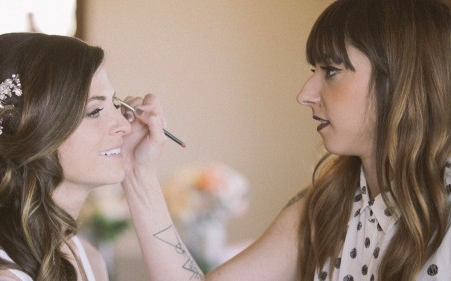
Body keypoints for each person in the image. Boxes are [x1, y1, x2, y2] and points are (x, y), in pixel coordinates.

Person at [119, 0, 451, 280]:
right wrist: (138, 171)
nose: (304, 94)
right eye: (313, 72)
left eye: (331, 71)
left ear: (400, 79)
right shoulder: (328, 205)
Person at [0, 32, 167, 280]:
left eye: (115, 104)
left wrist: (140, 170)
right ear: (36, 133)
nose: (124, 125)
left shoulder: (88, 259)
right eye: (95, 111)